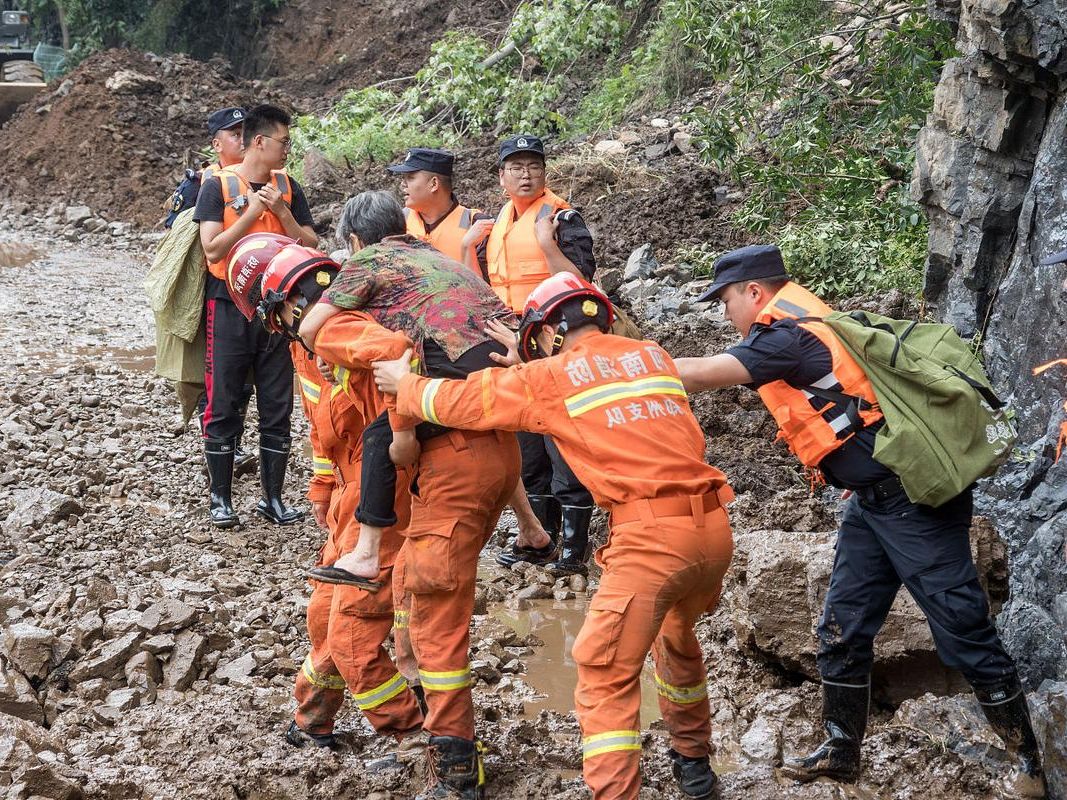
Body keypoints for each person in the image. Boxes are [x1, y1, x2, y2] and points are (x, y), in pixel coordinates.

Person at [671, 245, 1047, 799]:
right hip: (873, 502)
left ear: (754, 292)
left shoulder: (784, 336)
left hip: (912, 502)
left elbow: (702, 375)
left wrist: (614, 366)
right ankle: (841, 750)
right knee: (841, 626)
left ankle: (1031, 766)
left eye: (725, 300)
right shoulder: (809, 316)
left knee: (963, 629)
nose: (725, 313)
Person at [372, 272, 735, 800]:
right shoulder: (649, 357)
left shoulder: (552, 379)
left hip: (649, 539)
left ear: (548, 333)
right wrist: (533, 365)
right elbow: (596, 391)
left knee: (604, 670)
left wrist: (403, 385)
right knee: (675, 641)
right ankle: (695, 770)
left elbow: (462, 403)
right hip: (711, 532)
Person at [290, 191, 521, 799]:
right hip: (487, 427)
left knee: (429, 618)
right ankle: (324, 717)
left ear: (356, 244)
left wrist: (399, 430)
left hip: (441, 451)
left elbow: (340, 351)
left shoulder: (366, 287)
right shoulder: (441, 263)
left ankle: (451, 765)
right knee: (384, 611)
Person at [225, 234, 427, 754]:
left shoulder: (338, 331)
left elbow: (397, 362)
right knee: (323, 617)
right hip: (345, 490)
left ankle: (412, 734)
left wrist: (400, 433)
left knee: (353, 634)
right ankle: (313, 721)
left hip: (381, 489)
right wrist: (320, 486)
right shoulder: (306, 348)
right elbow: (321, 425)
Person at [389, 145, 555, 577]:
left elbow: (482, 289)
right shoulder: (400, 223)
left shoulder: (474, 225)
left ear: (434, 183)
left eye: (410, 178)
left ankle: (523, 525)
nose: (402, 186)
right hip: (419, 341)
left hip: (471, 343)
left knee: (489, 430)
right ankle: (526, 526)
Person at [463, 134, 599, 575]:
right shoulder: (494, 224)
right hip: (511, 337)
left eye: (534, 166)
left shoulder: (562, 218)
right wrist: (467, 248)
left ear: (545, 172)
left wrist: (547, 244)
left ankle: (574, 549)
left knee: (561, 439)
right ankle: (541, 536)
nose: (526, 174)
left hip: (555, 341)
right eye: (516, 167)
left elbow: (583, 286)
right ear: (501, 177)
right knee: (526, 442)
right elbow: (483, 288)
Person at [194, 103, 318, 528]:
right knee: (224, 399)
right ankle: (220, 499)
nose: (288, 148)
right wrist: (251, 211)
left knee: (277, 402)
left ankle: (273, 500)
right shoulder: (217, 187)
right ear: (260, 142)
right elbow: (212, 248)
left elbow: (312, 245)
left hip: (278, 310)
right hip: (227, 305)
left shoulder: (289, 186)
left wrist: (282, 212)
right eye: (283, 141)